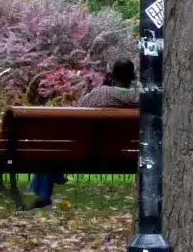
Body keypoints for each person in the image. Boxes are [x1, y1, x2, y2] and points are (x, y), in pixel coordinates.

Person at [30, 57, 140, 208]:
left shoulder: (100, 94)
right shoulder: (140, 99)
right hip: (126, 156)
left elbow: (77, 110)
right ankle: (54, 176)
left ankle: (44, 193)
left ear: (112, 76)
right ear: (133, 77)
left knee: (51, 147)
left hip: (88, 152)